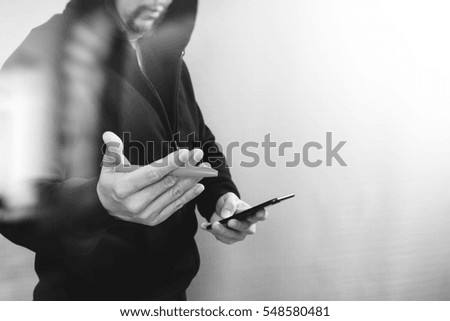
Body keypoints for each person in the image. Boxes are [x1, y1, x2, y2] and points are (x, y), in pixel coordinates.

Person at [0, 0, 267, 300]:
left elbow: (198, 141)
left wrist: (222, 198)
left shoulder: (164, 49)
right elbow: (12, 203)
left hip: (172, 298)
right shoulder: (43, 52)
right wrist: (98, 203)